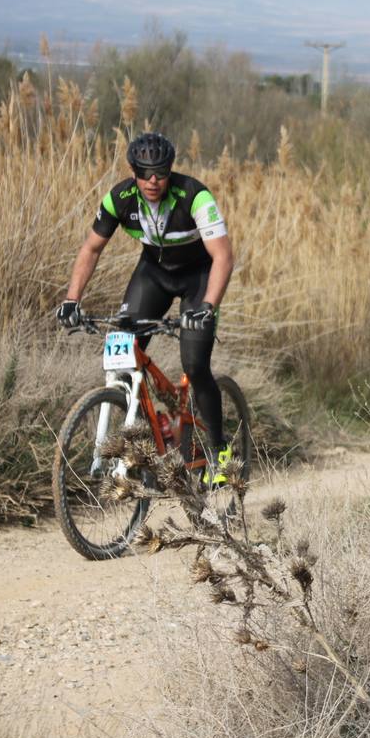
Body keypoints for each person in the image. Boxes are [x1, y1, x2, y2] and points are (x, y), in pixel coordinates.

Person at [56, 132, 235, 479]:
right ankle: (151, 439)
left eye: (160, 172)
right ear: (133, 171)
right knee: (123, 357)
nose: (153, 180)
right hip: (153, 275)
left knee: (195, 364)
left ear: (170, 170)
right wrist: (71, 300)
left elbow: (223, 257)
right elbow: (91, 249)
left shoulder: (194, 196)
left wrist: (208, 306)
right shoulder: (119, 199)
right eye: (144, 173)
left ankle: (219, 450)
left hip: (198, 278)